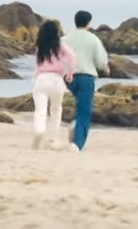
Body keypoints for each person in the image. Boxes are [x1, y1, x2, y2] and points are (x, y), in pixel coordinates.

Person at [61, 10, 109, 151]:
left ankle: (75, 124)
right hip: (85, 77)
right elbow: (101, 62)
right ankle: (77, 143)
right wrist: (106, 69)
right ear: (88, 22)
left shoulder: (64, 39)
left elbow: (57, 58)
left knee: (76, 104)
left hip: (67, 77)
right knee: (84, 110)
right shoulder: (93, 39)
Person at [31, 20, 76, 151]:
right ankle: (52, 139)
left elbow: (37, 66)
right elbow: (72, 57)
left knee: (40, 110)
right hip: (57, 80)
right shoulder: (61, 46)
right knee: (56, 110)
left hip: (42, 79)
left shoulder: (40, 47)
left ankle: (39, 130)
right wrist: (70, 73)